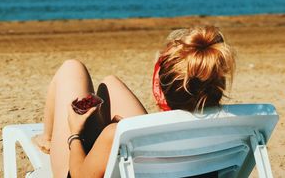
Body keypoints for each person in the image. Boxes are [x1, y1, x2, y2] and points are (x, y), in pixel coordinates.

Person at [32, 26, 235, 178]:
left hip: (82, 170)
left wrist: (74, 134)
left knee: (72, 67)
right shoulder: (231, 129)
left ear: (159, 92)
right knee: (110, 83)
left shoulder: (116, 135)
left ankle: (47, 137)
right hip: (169, 166)